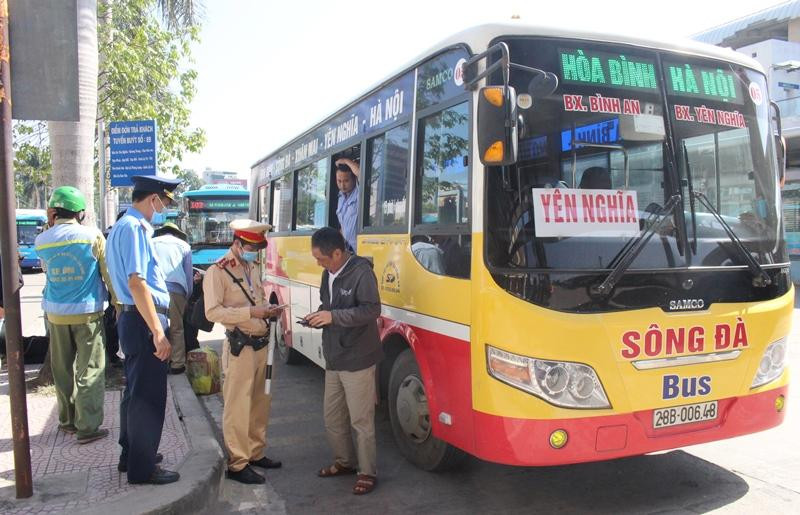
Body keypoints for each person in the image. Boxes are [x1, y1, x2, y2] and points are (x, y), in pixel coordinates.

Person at [106, 174, 182, 485]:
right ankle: (143, 467)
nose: (163, 208)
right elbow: (137, 283)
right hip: (143, 319)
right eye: (163, 201)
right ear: (153, 198)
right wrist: (158, 331)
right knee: (148, 397)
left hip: (132, 318)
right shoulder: (135, 228)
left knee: (135, 393)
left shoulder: (120, 226)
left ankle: (133, 454)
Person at [204, 219, 284, 485]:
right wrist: (250, 312)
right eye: (251, 247)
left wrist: (268, 311)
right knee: (237, 406)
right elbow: (212, 311)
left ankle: (255, 452)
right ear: (237, 244)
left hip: (262, 343)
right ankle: (238, 463)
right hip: (239, 347)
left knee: (261, 403)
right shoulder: (218, 271)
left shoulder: (253, 267)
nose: (255, 252)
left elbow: (258, 299)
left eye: (258, 248)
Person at [34, 186, 116, 443]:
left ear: (54, 212)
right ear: (80, 213)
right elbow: (108, 274)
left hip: (55, 314)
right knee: (90, 369)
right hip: (88, 313)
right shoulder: (92, 236)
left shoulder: (42, 241)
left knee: (62, 369)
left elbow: (47, 269)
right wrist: (117, 302)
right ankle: (88, 427)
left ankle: (67, 421)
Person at [305, 227, 382, 496]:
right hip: (334, 356)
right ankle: (344, 462)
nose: (319, 263)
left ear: (337, 253)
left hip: (358, 357)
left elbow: (372, 309)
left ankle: (367, 472)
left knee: (361, 420)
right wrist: (318, 316)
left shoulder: (362, 272)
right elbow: (329, 306)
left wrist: (333, 317)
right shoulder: (328, 273)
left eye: (321, 258)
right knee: (333, 417)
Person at [152, 222, 194, 374]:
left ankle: (158, 360)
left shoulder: (151, 242)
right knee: (177, 328)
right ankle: (177, 364)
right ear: (176, 233)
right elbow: (188, 276)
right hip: (176, 290)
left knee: (156, 327)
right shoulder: (184, 246)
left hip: (154, 290)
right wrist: (187, 296)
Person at [335, 158, 360, 252]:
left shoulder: (359, 193)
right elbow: (344, 225)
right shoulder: (340, 197)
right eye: (339, 181)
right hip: (347, 251)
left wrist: (346, 161)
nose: (342, 185)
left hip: (358, 250)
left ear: (354, 179)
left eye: (346, 181)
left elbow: (362, 174)